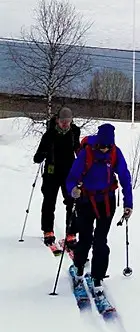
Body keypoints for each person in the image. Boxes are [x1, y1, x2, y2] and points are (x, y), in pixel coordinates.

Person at [66, 123, 133, 295]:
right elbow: (72, 177)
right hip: (86, 201)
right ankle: (79, 266)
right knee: (86, 238)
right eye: (102, 146)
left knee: (101, 241)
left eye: (108, 146)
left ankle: (98, 277)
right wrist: (73, 189)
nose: (104, 149)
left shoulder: (114, 153)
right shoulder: (86, 152)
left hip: (107, 202)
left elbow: (125, 177)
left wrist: (128, 203)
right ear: (98, 142)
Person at [33, 106, 81, 248]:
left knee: (72, 203)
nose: (65, 123)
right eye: (63, 121)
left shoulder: (74, 132)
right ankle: (48, 231)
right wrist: (42, 154)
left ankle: (71, 233)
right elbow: (37, 157)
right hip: (51, 173)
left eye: (68, 121)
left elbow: (77, 149)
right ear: (57, 120)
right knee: (49, 202)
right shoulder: (49, 134)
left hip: (69, 173)